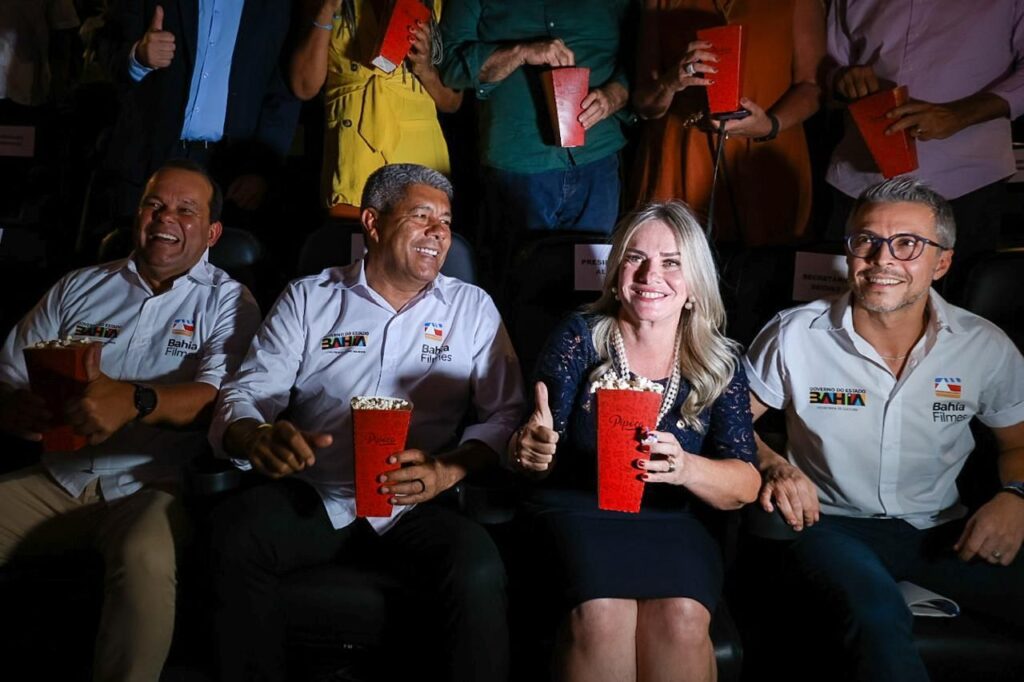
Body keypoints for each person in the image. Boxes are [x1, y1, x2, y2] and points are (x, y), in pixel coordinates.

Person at [206, 163, 524, 682]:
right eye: (421, 216)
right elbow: (246, 394)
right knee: (234, 536)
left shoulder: (472, 308)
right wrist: (255, 435)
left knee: (479, 566)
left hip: (417, 499)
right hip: (317, 490)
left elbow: (506, 413)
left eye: (446, 222)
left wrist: (449, 469)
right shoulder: (310, 297)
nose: (438, 232)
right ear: (373, 223)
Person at [744, 177, 1024, 681]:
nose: (882, 259)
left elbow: (1017, 443)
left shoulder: (984, 345)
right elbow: (729, 423)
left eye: (907, 244)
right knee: (876, 618)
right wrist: (771, 462)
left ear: (942, 263)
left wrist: (1015, 497)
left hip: (943, 531)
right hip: (829, 528)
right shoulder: (794, 333)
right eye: (867, 240)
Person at [0, 159, 261, 682]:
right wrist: (13, 406)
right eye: (154, 205)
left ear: (212, 233)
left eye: (186, 210)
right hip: (59, 478)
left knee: (145, 555)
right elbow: (9, 372)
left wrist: (135, 400)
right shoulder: (80, 285)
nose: (166, 218)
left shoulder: (229, 301)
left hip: (153, 486)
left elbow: (217, 399)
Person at [512, 201, 761, 682]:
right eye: (635, 258)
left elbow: (745, 484)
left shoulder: (721, 361)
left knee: (682, 620)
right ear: (616, 273)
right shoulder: (580, 337)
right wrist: (531, 451)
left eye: (671, 262)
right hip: (579, 509)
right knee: (603, 617)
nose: (651, 275)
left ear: (695, 283)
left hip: (675, 521)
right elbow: (536, 450)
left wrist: (686, 468)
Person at [824, 0, 1024, 284]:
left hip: (966, 181)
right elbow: (831, 64)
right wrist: (842, 79)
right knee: (842, 298)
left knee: (959, 301)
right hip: (859, 176)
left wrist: (960, 114)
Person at [630, 0, 825, 246]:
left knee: (769, 260)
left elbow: (812, 86)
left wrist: (770, 125)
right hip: (682, 153)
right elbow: (644, 104)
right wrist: (669, 83)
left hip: (765, 152)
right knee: (674, 252)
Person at [96, 0, 300, 232]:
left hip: (231, 171)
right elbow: (108, 45)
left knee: (225, 253)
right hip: (146, 159)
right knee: (127, 249)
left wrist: (262, 170)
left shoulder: (279, 6)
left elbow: (284, 90)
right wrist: (138, 58)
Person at [440, 0, 636, 236]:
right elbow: (449, 65)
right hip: (518, 162)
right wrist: (520, 53)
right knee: (522, 259)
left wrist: (616, 94)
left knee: (592, 259)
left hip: (598, 158)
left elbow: (642, 54)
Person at [289, 0, 462, 221]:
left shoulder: (438, 5)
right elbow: (303, 87)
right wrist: (326, 10)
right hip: (354, 154)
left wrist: (426, 70)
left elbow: (452, 102)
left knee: (418, 236)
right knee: (354, 239)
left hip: (418, 153)